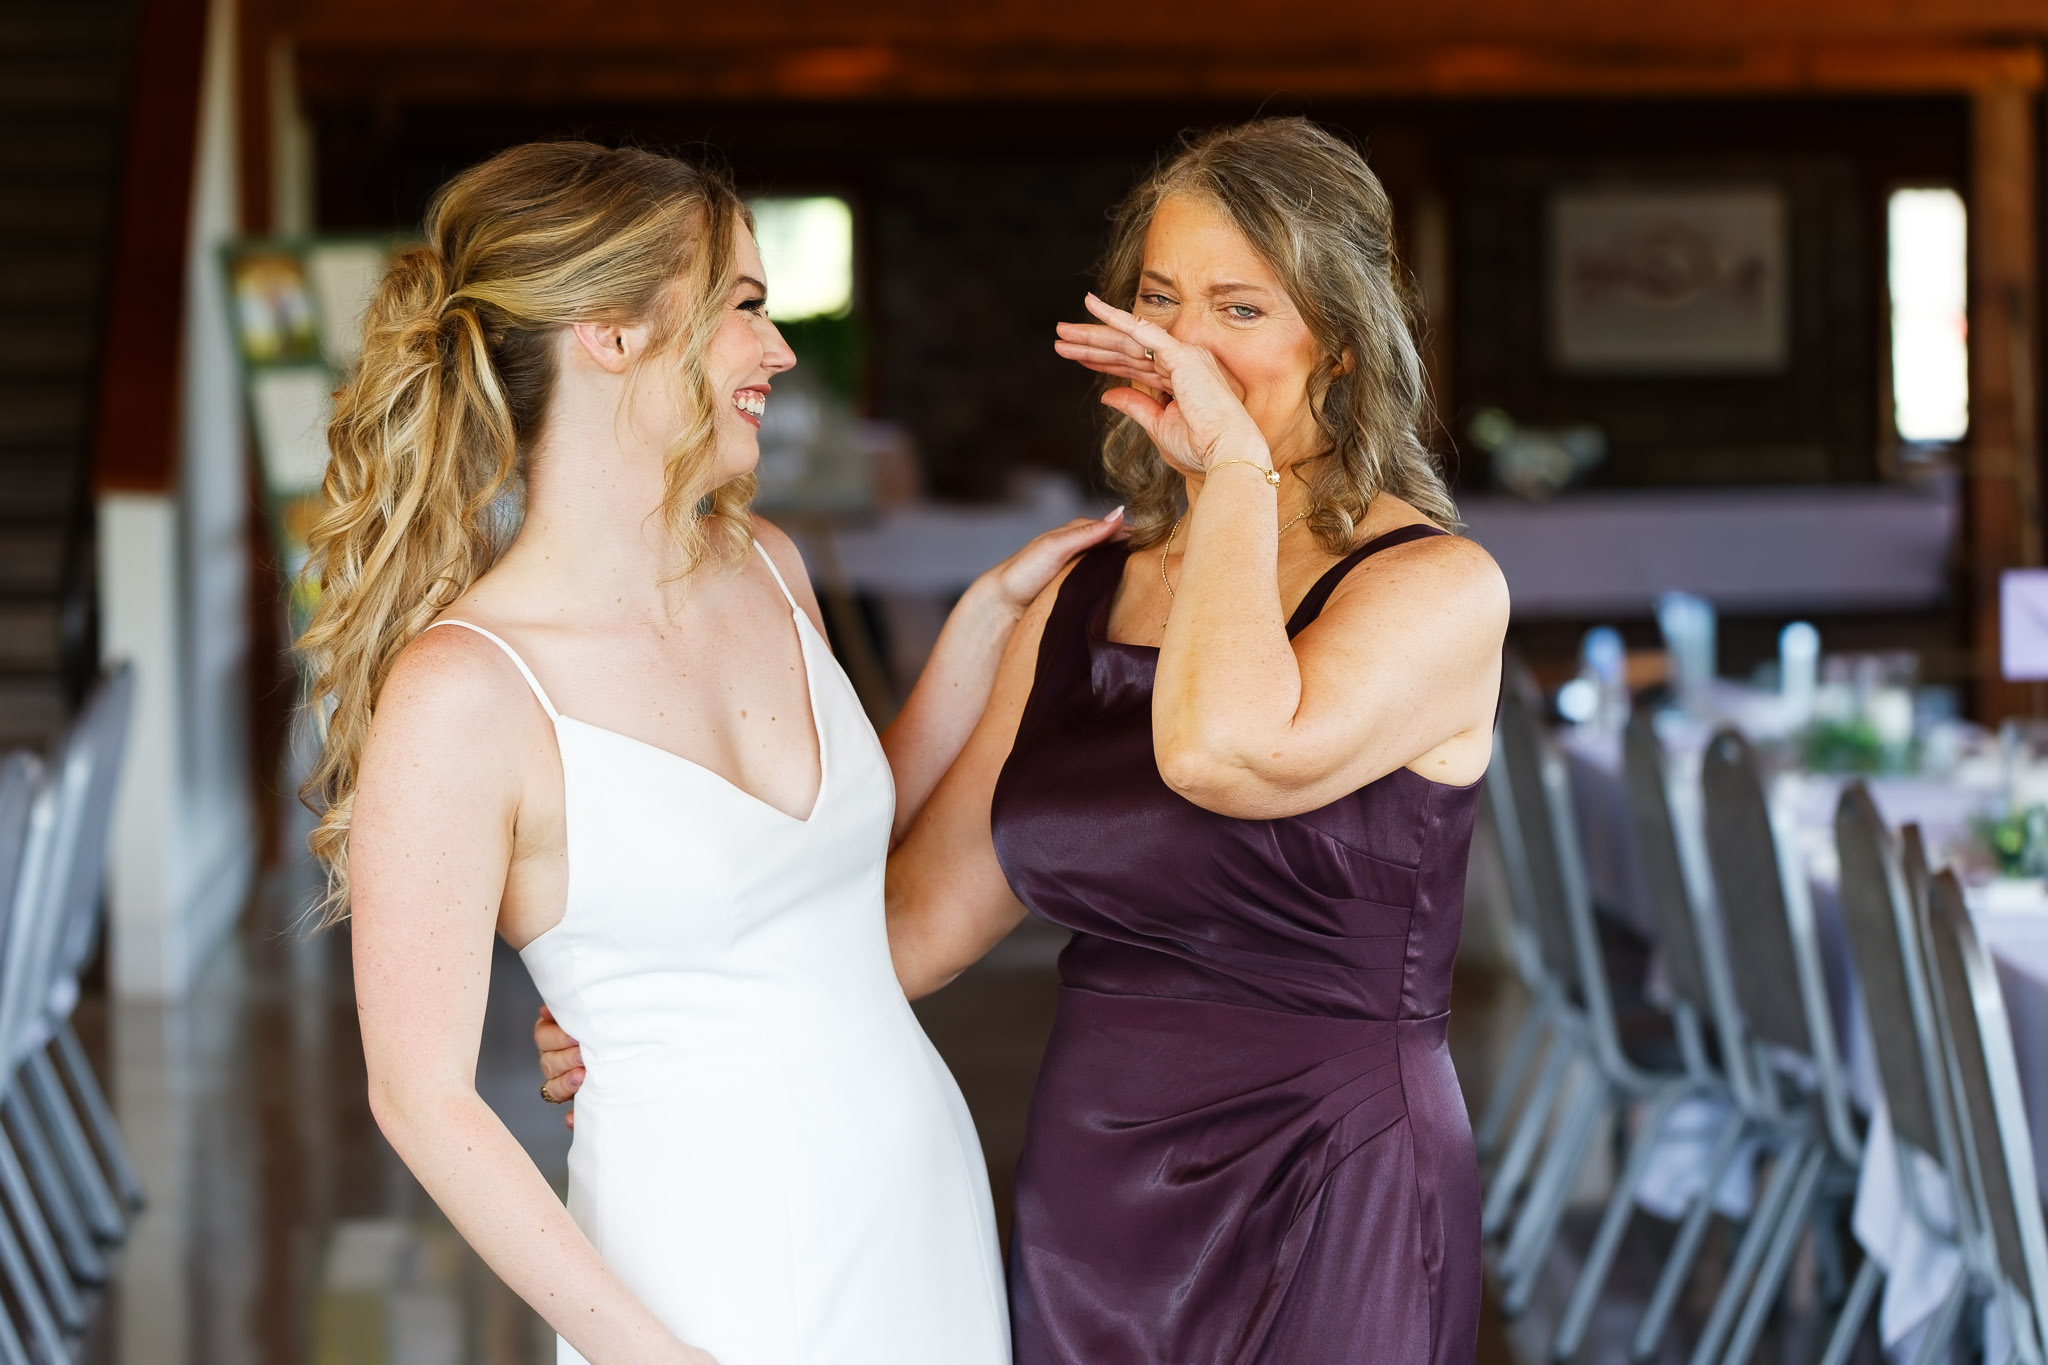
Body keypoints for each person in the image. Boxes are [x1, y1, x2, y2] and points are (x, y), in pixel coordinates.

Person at [541, 117, 1507, 1363]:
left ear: (1338, 338)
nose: (1188, 347)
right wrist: (660, 1012)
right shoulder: (1080, 602)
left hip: (1333, 1184)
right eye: (1161, 300)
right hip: (1093, 1197)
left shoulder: (1432, 589)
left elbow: (1219, 749)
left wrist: (1228, 477)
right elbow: (912, 934)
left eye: (1240, 309)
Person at [303, 141, 1120, 1365]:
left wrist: (987, 623)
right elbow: (418, 1098)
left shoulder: (764, 567)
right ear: (611, 333)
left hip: (918, 1212)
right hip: (698, 1270)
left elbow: (834, 842)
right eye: (745, 305)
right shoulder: (465, 693)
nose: (778, 352)